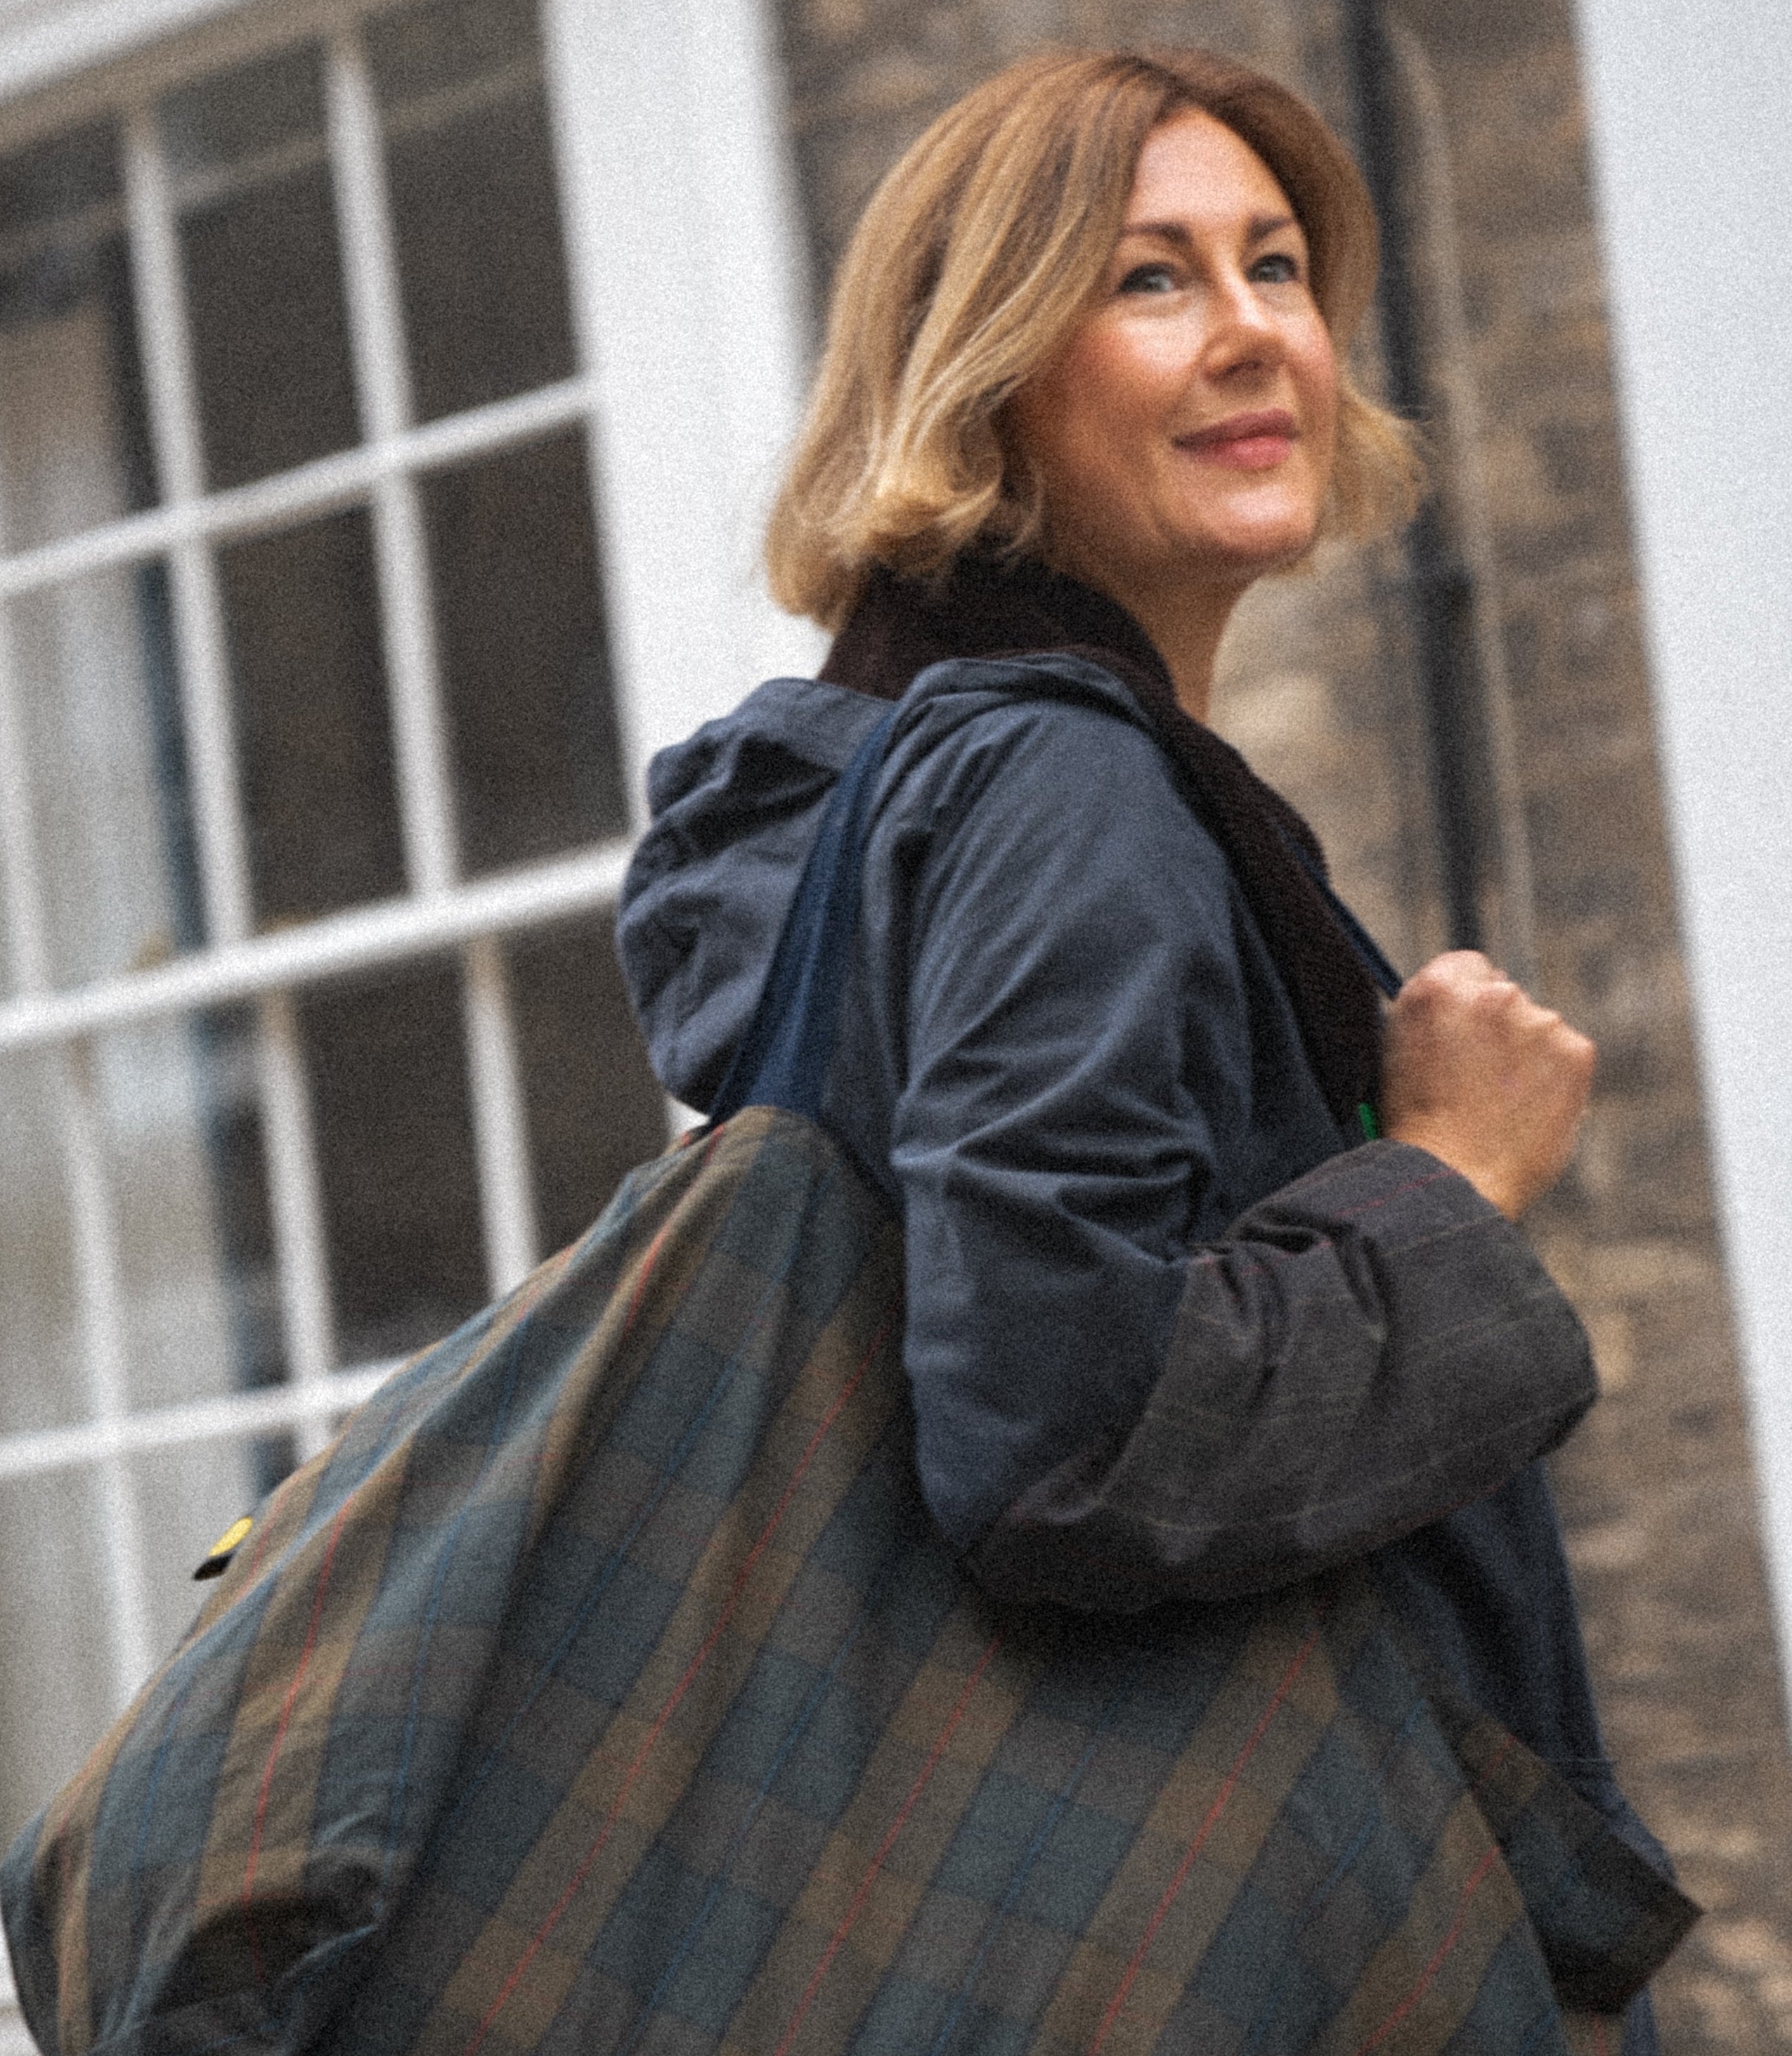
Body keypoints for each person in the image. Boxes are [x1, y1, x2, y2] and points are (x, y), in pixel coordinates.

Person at [617, 44, 1680, 2052]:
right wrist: (1447, 1180)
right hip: (1260, 1945)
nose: (1258, 334)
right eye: (1152, 282)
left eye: (1276, 266)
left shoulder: (911, 796)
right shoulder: (1055, 794)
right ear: (989, 365)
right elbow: (1065, 1427)